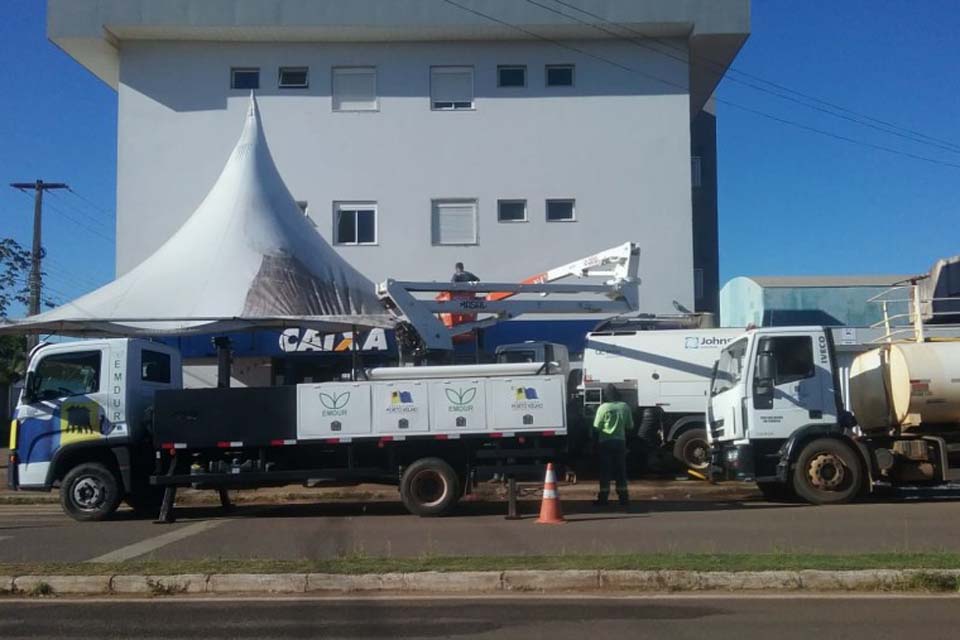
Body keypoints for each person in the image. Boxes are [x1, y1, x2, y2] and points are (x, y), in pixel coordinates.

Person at [592, 384, 634, 507]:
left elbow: (596, 427)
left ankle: (603, 499)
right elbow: (630, 426)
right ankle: (624, 498)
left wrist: (594, 445)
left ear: (605, 395)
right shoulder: (624, 407)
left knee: (605, 471)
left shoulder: (603, 408)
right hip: (620, 442)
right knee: (621, 471)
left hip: (605, 443)